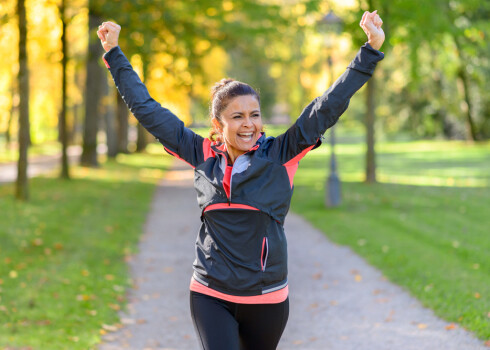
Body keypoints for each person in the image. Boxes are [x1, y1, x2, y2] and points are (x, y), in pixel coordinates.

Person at [97, 10, 384, 350]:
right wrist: (115, 54)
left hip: (267, 297)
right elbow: (146, 108)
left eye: (254, 115)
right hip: (209, 292)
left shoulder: (281, 154)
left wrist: (369, 52)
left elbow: (326, 106)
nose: (249, 124)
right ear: (218, 126)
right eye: (237, 117)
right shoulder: (200, 152)